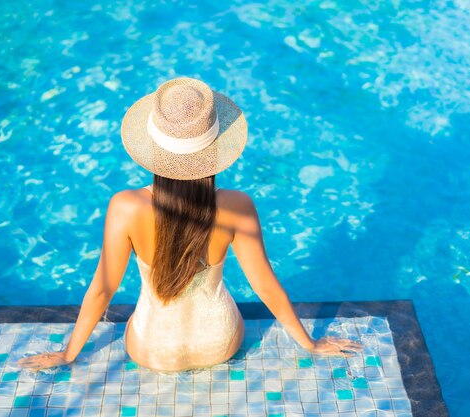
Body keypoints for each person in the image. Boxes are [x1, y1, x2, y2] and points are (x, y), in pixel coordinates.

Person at [18, 77, 362, 372]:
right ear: (215, 150)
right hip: (222, 344)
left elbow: (102, 290)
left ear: (152, 148)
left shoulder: (125, 207)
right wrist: (310, 345)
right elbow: (266, 286)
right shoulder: (237, 206)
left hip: (152, 351)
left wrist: (67, 354)